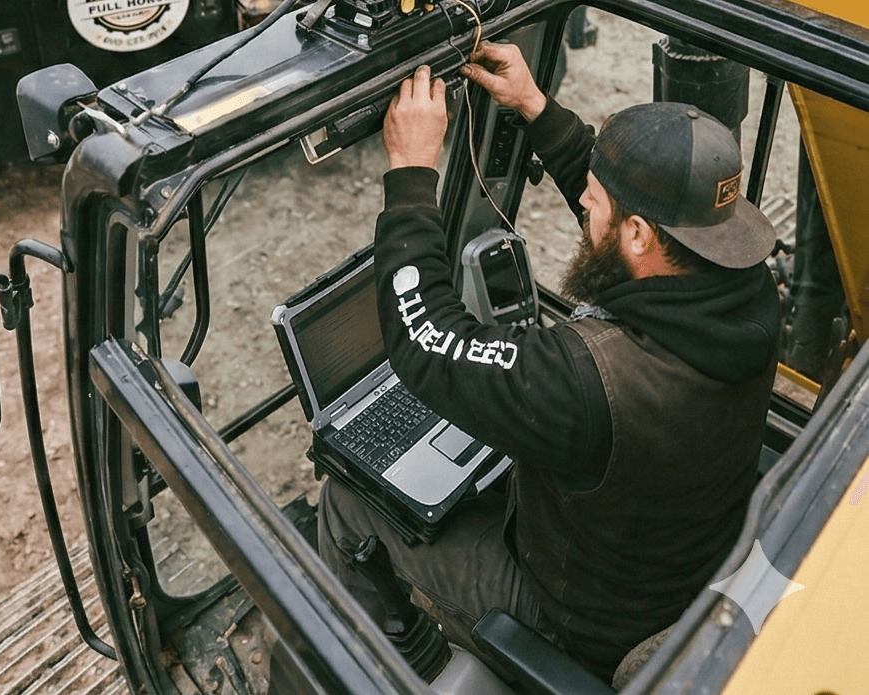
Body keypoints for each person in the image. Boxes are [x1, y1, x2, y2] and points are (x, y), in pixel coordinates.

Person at [318, 42, 780, 684]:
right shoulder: (747, 291)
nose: (582, 209)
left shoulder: (592, 383)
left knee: (348, 498)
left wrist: (411, 173)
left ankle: (372, 672)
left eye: (590, 205)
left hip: (580, 621)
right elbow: (622, 218)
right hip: (672, 571)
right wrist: (535, 107)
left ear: (641, 234)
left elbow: (423, 338)